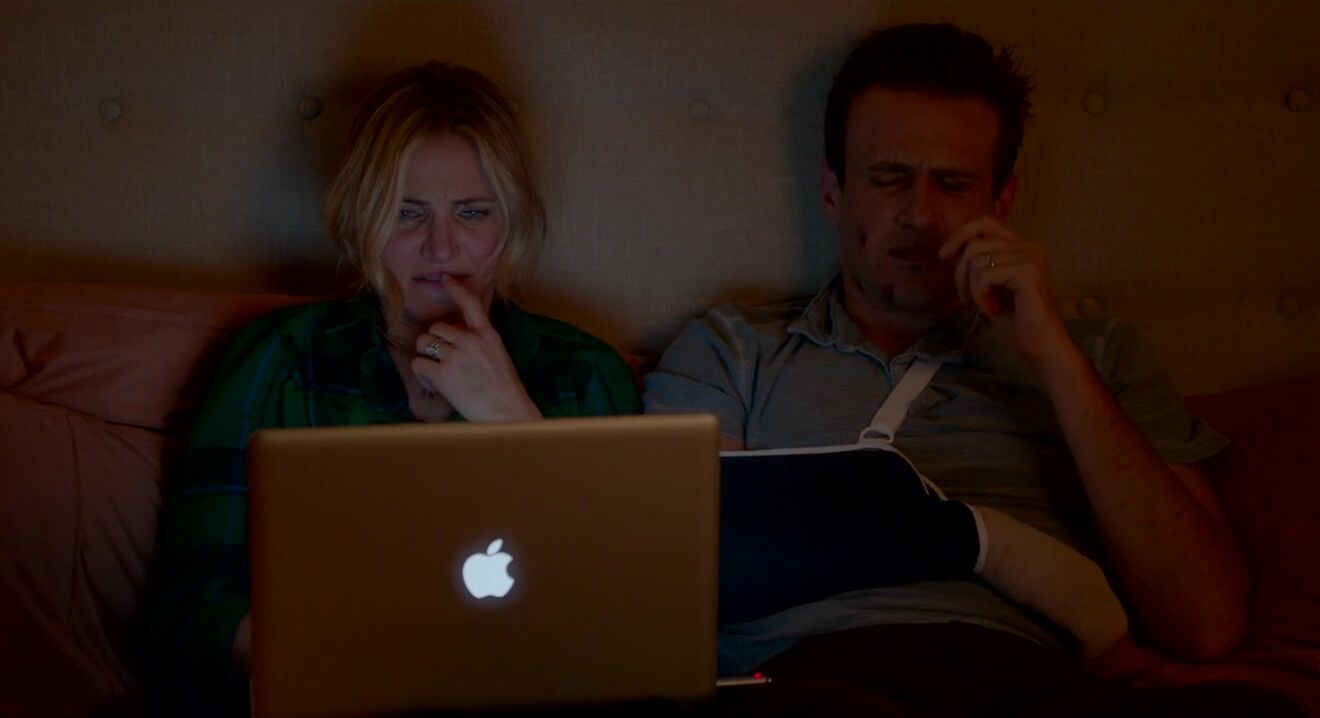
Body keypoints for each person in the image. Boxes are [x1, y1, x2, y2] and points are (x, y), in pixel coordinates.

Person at [647, 23, 1299, 716]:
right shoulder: (733, 347)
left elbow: (1206, 624)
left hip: (1026, 679)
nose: (920, 215)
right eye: (888, 179)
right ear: (834, 192)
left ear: (1001, 203)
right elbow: (682, 573)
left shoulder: (1098, 355)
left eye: (953, 184)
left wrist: (1052, 357)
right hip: (815, 675)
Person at [141, 62, 641, 717]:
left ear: (511, 223)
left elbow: (630, 624)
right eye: (407, 214)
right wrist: (336, 649)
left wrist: (513, 421)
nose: (441, 248)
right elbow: (183, 627)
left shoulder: (586, 376)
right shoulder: (278, 361)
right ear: (360, 221)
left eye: (472, 213)